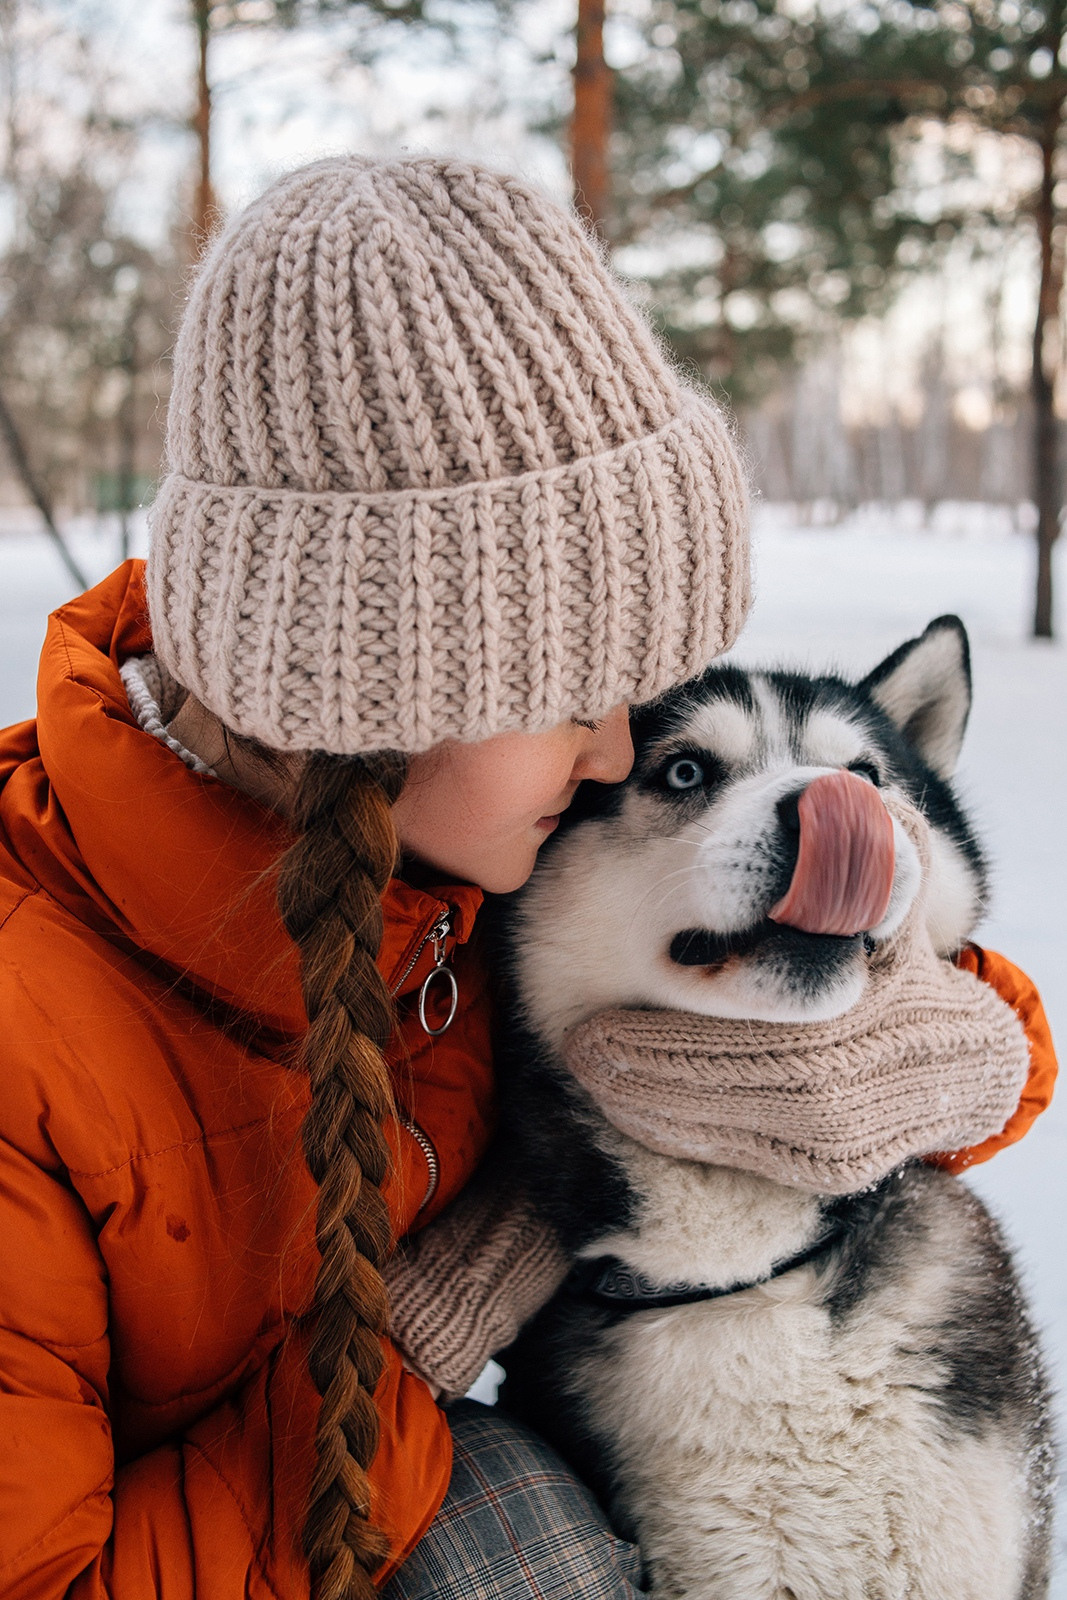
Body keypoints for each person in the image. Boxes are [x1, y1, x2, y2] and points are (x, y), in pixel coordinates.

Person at [0, 155, 1055, 1600]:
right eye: (578, 694)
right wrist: (414, 1340)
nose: (621, 746)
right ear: (376, 690)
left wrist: (952, 1051)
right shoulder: (26, 1036)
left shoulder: (454, 863)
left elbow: (790, 950)